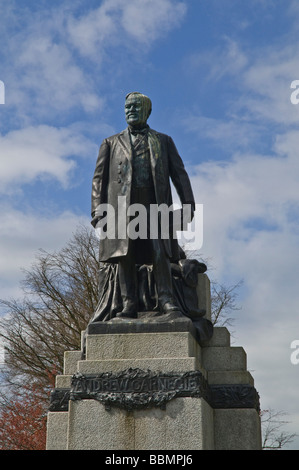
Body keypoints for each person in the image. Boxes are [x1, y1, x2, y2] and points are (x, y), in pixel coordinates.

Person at [91, 92, 195, 319]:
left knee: (160, 251)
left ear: (147, 111)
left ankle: (166, 300)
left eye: (136, 106)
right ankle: (128, 304)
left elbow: (179, 174)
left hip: (155, 203)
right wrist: (98, 211)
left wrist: (188, 204)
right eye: (127, 107)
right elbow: (99, 179)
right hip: (121, 207)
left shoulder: (164, 141)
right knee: (125, 254)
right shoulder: (110, 143)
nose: (131, 110)